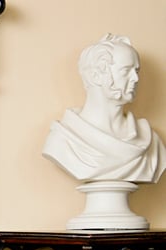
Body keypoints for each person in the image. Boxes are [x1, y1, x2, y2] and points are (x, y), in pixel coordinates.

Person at [42, 34, 166, 183]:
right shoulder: (62, 140)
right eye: (126, 71)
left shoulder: (150, 141)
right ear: (96, 76)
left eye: (136, 71)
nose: (136, 78)